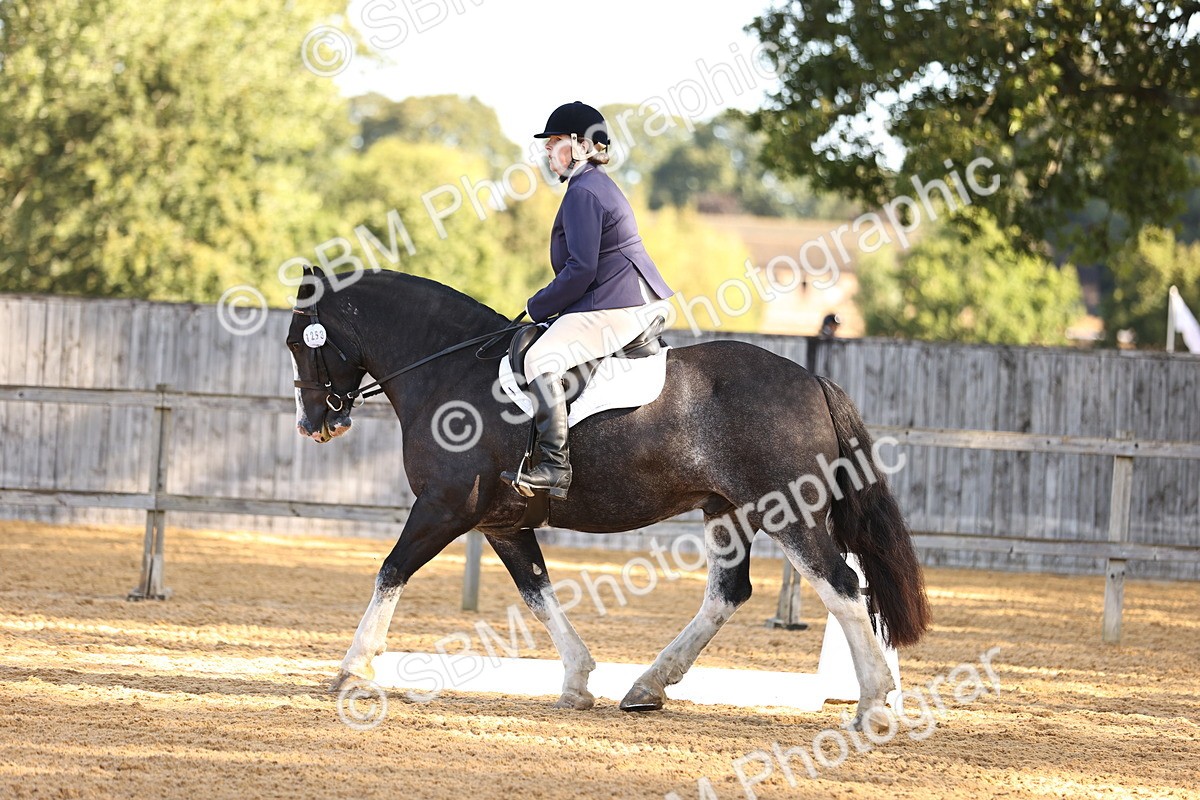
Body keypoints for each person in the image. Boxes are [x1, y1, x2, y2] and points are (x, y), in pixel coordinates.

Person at [500, 101, 674, 500]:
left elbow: (580, 270)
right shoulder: (592, 185)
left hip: (617, 302)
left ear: (579, 146)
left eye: (554, 142)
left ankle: (554, 467)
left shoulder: (584, 192)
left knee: (539, 359)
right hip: (623, 297)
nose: (547, 151)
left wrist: (536, 306)